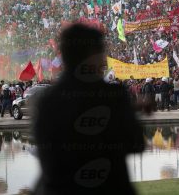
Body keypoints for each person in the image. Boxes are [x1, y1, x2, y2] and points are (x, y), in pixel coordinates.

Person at [32, 24, 144, 195]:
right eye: (102, 52)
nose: (105, 59)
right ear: (91, 54)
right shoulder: (113, 96)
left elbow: (48, 158)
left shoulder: (48, 100)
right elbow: (136, 144)